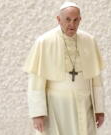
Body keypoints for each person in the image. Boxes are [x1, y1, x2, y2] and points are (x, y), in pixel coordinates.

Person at [22, 1, 105, 135]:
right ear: (58, 19)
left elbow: (96, 80)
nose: (72, 24)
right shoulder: (44, 41)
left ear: (80, 20)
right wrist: (37, 113)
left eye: (75, 20)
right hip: (56, 106)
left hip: (84, 103)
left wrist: (99, 109)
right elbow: (36, 82)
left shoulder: (89, 41)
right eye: (68, 19)